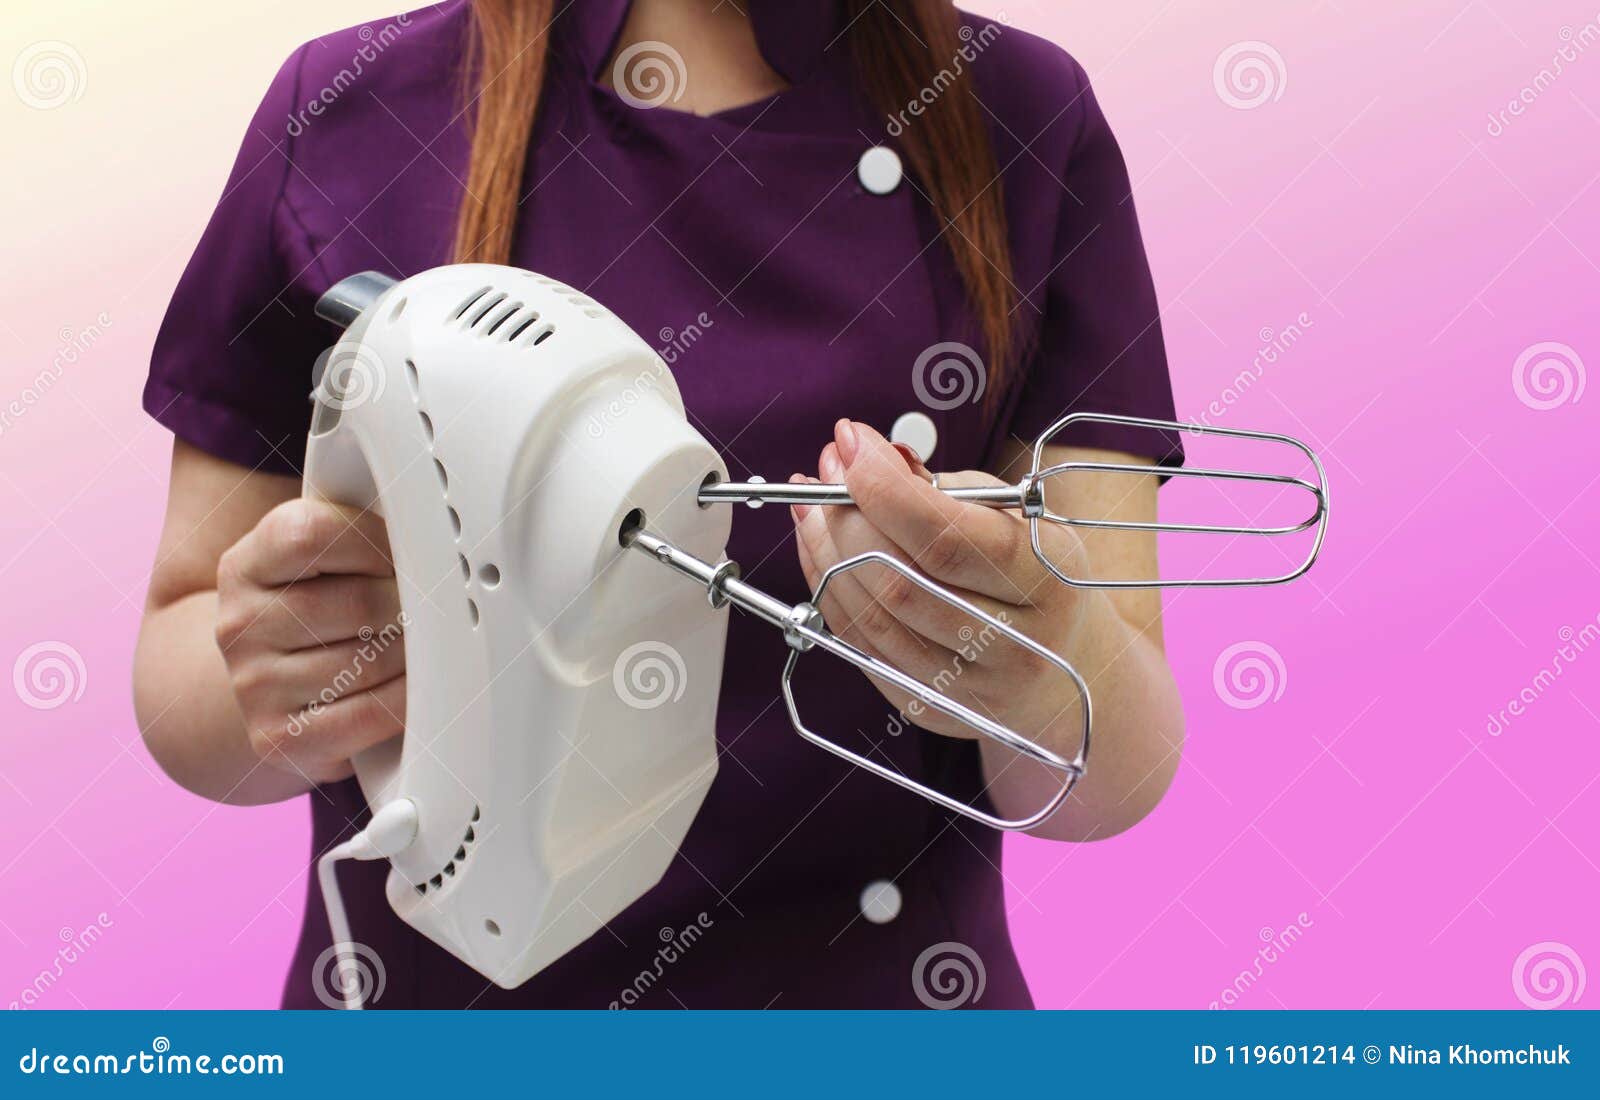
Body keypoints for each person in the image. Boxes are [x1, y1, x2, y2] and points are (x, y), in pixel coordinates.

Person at [133, 0, 1186, 1008]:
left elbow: (1117, 756)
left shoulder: (1024, 116)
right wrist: (278, 677)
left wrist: (1036, 661)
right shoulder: (348, 106)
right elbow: (185, 672)